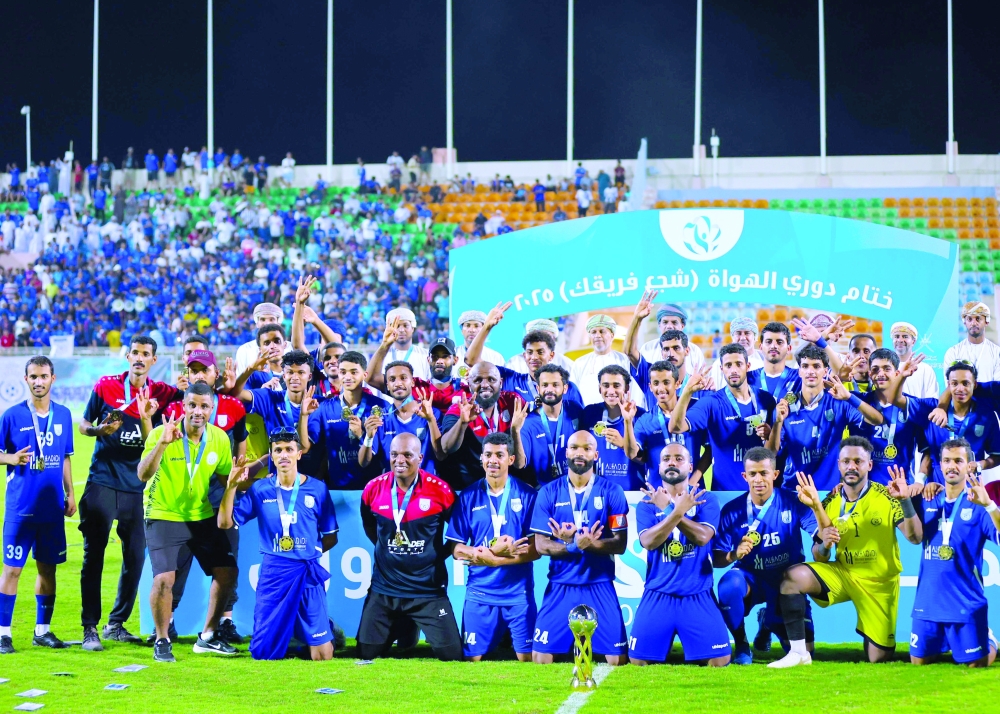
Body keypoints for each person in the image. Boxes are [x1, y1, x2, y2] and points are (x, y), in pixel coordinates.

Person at [768, 437, 923, 667]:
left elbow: (915, 538)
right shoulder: (829, 501)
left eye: (858, 461)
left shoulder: (887, 496)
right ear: (839, 464)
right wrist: (825, 544)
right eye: (846, 461)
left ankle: (875, 634)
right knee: (793, 577)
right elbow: (820, 556)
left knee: (877, 658)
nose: (852, 466)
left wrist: (905, 501)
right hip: (843, 574)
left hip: (879, 583)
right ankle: (799, 653)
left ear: (869, 465)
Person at [78, 336, 180, 651]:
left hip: (137, 488)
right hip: (103, 482)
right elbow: (83, 423)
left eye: (145, 354)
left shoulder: (162, 392)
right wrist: (97, 430)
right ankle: (89, 627)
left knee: (135, 558)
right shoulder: (106, 386)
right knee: (94, 555)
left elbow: (196, 394)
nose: (139, 357)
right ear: (127, 356)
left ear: (153, 360)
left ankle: (116, 624)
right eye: (135, 352)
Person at [219, 428, 339, 661]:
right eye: (278, 450)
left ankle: (325, 629)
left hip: (306, 569)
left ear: (299, 454)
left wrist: (307, 551)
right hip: (274, 571)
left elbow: (331, 536)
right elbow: (224, 523)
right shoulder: (260, 489)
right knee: (262, 653)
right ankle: (297, 636)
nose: (284, 455)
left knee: (323, 656)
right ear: (272, 456)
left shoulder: (317, 489)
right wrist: (231, 486)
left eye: (289, 450)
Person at [137, 384, 237, 662]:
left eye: (204, 406)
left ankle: (208, 636)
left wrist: (238, 480)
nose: (198, 411)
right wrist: (162, 443)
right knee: (164, 579)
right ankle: (162, 639)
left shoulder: (219, 439)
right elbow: (143, 474)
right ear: (184, 406)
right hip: (163, 513)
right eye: (192, 405)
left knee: (227, 571)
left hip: (200, 515)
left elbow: (226, 478)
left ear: (211, 409)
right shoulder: (162, 433)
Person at [156, 350, 247, 646]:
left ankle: (222, 625)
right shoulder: (172, 412)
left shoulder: (231, 409)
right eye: (192, 369)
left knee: (226, 565)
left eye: (203, 369)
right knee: (175, 568)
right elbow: (151, 460)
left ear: (214, 374)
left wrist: (235, 483)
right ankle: (166, 625)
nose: (198, 374)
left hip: (215, 501)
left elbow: (239, 446)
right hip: (177, 507)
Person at [713, 448, 829, 665]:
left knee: (806, 652)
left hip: (787, 584)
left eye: (764, 473)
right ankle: (742, 644)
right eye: (753, 474)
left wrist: (817, 507)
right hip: (751, 580)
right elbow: (717, 559)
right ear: (744, 476)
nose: (758, 479)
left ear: (775, 474)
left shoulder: (794, 501)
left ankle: (768, 621)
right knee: (729, 586)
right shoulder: (731, 510)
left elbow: (821, 538)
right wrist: (733, 554)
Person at [357, 433, 463, 661]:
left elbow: (458, 532)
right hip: (385, 588)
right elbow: (370, 526)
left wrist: (437, 556)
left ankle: (409, 624)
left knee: (452, 655)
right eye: (394, 454)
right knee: (366, 653)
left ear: (420, 458)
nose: (400, 460)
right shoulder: (373, 489)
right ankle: (405, 625)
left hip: (427, 590)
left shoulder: (441, 490)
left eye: (407, 455)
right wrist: (386, 548)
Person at [529, 431, 628, 665]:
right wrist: (574, 546)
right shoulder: (548, 492)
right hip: (561, 584)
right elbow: (540, 545)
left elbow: (620, 544)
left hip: (599, 583)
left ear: (596, 454)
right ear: (567, 453)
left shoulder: (612, 491)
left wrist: (589, 544)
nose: (579, 453)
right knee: (540, 658)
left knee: (617, 659)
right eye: (574, 448)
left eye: (586, 448)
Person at [628, 443, 729, 666]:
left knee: (719, 660)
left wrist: (669, 510)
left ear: (690, 466)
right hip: (658, 593)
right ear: (659, 467)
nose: (672, 463)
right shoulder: (647, 503)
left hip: (697, 593)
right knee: (638, 661)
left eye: (679, 459)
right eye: (666, 459)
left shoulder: (706, 498)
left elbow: (702, 537)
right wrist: (675, 511)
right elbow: (649, 542)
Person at [0, 357, 76, 653]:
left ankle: (42, 631)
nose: (38, 381)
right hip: (20, 509)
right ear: (26, 379)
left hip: (52, 510)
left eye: (43, 376)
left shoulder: (63, 415)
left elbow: (66, 457)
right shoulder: (11, 415)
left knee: (48, 570)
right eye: (33, 376)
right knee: (12, 571)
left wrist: (70, 493)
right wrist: (10, 458)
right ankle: (4, 634)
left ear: (52, 379)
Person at [446, 433, 539, 661]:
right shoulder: (468, 496)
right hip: (479, 593)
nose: (493, 460)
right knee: (472, 661)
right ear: (481, 458)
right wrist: (483, 554)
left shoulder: (528, 495)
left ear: (511, 459)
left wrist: (496, 560)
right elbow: (456, 548)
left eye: (499, 455)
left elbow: (536, 549)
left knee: (528, 660)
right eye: (488, 455)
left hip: (518, 594)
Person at [910, 439, 999, 667]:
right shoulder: (926, 499)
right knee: (919, 662)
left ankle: (989, 639)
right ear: (940, 465)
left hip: (965, 603)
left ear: (969, 465)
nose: (952, 466)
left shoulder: (979, 503)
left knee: (977, 663)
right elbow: (911, 535)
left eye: (958, 461)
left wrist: (989, 505)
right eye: (947, 461)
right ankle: (948, 639)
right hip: (928, 604)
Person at [769, 344, 886, 490]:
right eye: (805, 366)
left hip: (829, 492)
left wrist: (849, 397)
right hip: (794, 490)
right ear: (799, 371)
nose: (810, 371)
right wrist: (777, 422)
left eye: (816, 366)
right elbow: (771, 453)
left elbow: (877, 420)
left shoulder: (839, 401)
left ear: (825, 371)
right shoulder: (785, 406)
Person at [668, 344, 777, 491]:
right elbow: (675, 427)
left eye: (738, 364)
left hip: (760, 490)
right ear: (721, 369)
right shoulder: (711, 403)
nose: (733, 370)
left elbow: (776, 448)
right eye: (728, 365)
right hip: (724, 492)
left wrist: (771, 434)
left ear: (748, 366)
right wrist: (687, 391)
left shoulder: (766, 399)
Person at [300, 351, 390, 489]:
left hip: (372, 488)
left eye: (354, 372)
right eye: (343, 372)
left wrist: (361, 435)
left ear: (364, 375)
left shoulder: (381, 407)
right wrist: (303, 415)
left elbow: (383, 452)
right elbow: (304, 448)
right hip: (336, 487)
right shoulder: (324, 408)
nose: (348, 377)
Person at [464, 303, 584, 408]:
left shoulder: (569, 388)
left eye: (540, 352)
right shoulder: (512, 379)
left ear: (551, 354)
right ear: (524, 355)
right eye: (530, 352)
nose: (534, 357)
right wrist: (486, 327)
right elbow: (471, 360)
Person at [849, 349, 932, 485]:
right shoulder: (855, 401)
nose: (880, 374)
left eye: (887, 369)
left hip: (902, 487)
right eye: (875, 369)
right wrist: (840, 376)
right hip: (863, 489)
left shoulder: (912, 405)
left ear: (897, 373)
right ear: (870, 374)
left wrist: (920, 481)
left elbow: (927, 449)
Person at [440, 362, 529, 491]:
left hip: (509, 485)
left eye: (491, 379)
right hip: (472, 486)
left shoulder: (513, 402)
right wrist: (462, 423)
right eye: (478, 380)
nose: (485, 385)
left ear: (501, 383)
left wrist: (515, 431)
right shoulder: (460, 408)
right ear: (469, 384)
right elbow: (446, 447)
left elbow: (521, 462)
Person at [919, 361, 1000, 484]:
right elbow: (959, 384)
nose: (960, 387)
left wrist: (979, 465)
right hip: (938, 485)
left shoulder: (988, 415)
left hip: (971, 487)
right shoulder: (994, 389)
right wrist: (941, 407)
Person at [358, 361, 443, 474]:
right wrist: (369, 437)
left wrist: (431, 420)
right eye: (392, 379)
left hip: (425, 483)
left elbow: (441, 455)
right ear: (387, 386)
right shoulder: (380, 418)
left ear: (412, 382)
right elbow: (363, 462)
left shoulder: (432, 413)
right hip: (392, 484)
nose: (398, 383)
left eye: (403, 378)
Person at [632, 360, 707, 487]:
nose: (661, 388)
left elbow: (710, 449)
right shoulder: (644, 420)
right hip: (658, 491)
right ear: (650, 387)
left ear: (677, 384)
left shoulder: (696, 409)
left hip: (692, 490)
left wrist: (693, 481)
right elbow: (636, 456)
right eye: (656, 383)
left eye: (666, 382)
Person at [578, 366, 645, 492]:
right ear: (600, 388)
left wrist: (623, 444)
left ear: (626, 388)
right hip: (599, 490)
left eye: (616, 385)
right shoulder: (589, 413)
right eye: (606, 385)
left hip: (633, 491)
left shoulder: (640, 415)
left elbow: (644, 460)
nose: (611, 390)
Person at [517, 365, 582, 487]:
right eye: (545, 385)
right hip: (545, 490)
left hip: (576, 486)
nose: (549, 389)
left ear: (565, 388)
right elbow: (519, 464)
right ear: (538, 388)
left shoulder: (575, 409)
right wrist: (515, 431)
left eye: (555, 385)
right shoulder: (528, 423)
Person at [571, 314, 646, 408]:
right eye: (593, 332)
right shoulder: (580, 363)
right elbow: (573, 395)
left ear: (612, 335)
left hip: (620, 414)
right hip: (587, 415)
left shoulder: (625, 361)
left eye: (602, 331)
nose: (597, 335)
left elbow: (635, 392)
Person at [944, 302, 1000, 382]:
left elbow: (997, 385)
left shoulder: (997, 353)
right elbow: (951, 385)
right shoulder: (953, 352)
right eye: (969, 319)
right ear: (964, 322)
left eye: (978, 319)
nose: (973, 323)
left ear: (987, 321)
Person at [748, 322, 801, 401]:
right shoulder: (749, 378)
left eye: (779, 342)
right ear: (761, 348)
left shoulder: (799, 377)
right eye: (768, 342)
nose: (773, 346)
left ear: (789, 349)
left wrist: (818, 340)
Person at [234, 303, 289, 375]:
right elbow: (241, 379)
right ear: (257, 323)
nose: (267, 323)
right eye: (262, 319)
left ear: (278, 323)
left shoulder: (290, 347)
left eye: (271, 319)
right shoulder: (244, 350)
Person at [504, 319, 576, 375]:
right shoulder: (515, 363)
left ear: (554, 340)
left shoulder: (567, 365)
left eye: (546, 338)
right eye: (536, 337)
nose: (540, 342)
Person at [709, 318, 764, 388]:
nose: (743, 338)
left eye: (747, 333)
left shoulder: (764, 360)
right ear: (732, 337)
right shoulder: (719, 363)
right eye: (738, 333)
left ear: (755, 337)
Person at [890, 322, 939, 399]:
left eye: (905, 336)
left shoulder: (925, 369)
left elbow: (931, 399)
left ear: (913, 341)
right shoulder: (886, 368)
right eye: (896, 336)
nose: (900, 340)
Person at [383, 308, 430, 381]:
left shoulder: (425, 355)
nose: (401, 330)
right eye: (397, 326)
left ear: (412, 328)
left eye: (405, 325)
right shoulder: (382, 356)